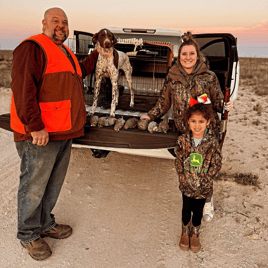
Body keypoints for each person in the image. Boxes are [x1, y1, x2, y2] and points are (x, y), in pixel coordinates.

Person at [10, 7, 98, 261]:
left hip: (63, 132)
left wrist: (98, 55)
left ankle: (45, 224)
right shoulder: (33, 48)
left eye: (65, 22)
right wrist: (35, 126)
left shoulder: (64, 51)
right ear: (44, 24)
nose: (61, 25)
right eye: (55, 21)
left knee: (52, 184)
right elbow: (23, 88)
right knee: (34, 185)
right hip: (41, 134)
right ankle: (27, 233)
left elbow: (79, 72)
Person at [141, 31, 232, 222]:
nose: (188, 57)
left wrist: (225, 106)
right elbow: (164, 103)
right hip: (186, 133)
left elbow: (217, 103)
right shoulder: (172, 77)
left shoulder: (209, 77)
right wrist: (150, 115)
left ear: (197, 56)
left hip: (206, 133)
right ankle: (190, 203)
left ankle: (207, 200)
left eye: (192, 54)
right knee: (190, 168)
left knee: (205, 169)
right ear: (178, 56)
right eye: (184, 54)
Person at [174, 101, 222, 252]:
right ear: (188, 121)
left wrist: (208, 176)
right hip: (187, 185)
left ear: (208, 122)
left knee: (198, 210)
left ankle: (195, 233)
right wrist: (182, 176)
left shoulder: (212, 142)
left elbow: (217, 162)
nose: (197, 125)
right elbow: (178, 160)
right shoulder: (183, 140)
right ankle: (184, 231)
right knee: (186, 208)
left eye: (201, 121)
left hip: (203, 186)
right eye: (193, 121)